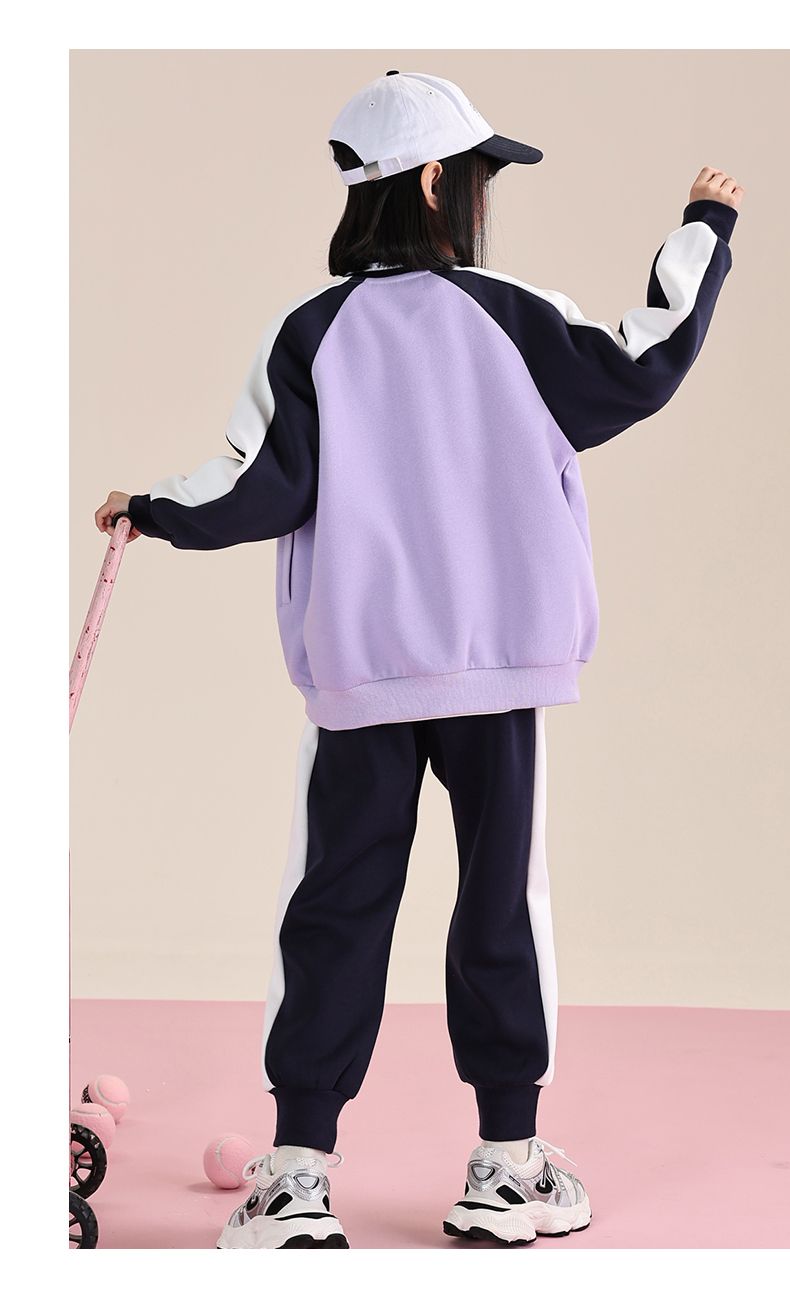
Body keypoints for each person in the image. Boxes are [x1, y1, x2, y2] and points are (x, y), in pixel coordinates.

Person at [95, 70, 743, 1250]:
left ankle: (295, 1179)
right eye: (479, 173)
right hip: (499, 669)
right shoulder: (511, 313)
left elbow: (259, 484)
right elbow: (639, 364)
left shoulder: (308, 329)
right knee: (501, 903)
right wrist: (702, 231)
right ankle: (506, 1166)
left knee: (333, 905)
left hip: (360, 673)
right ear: (437, 178)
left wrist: (152, 507)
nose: (485, 194)